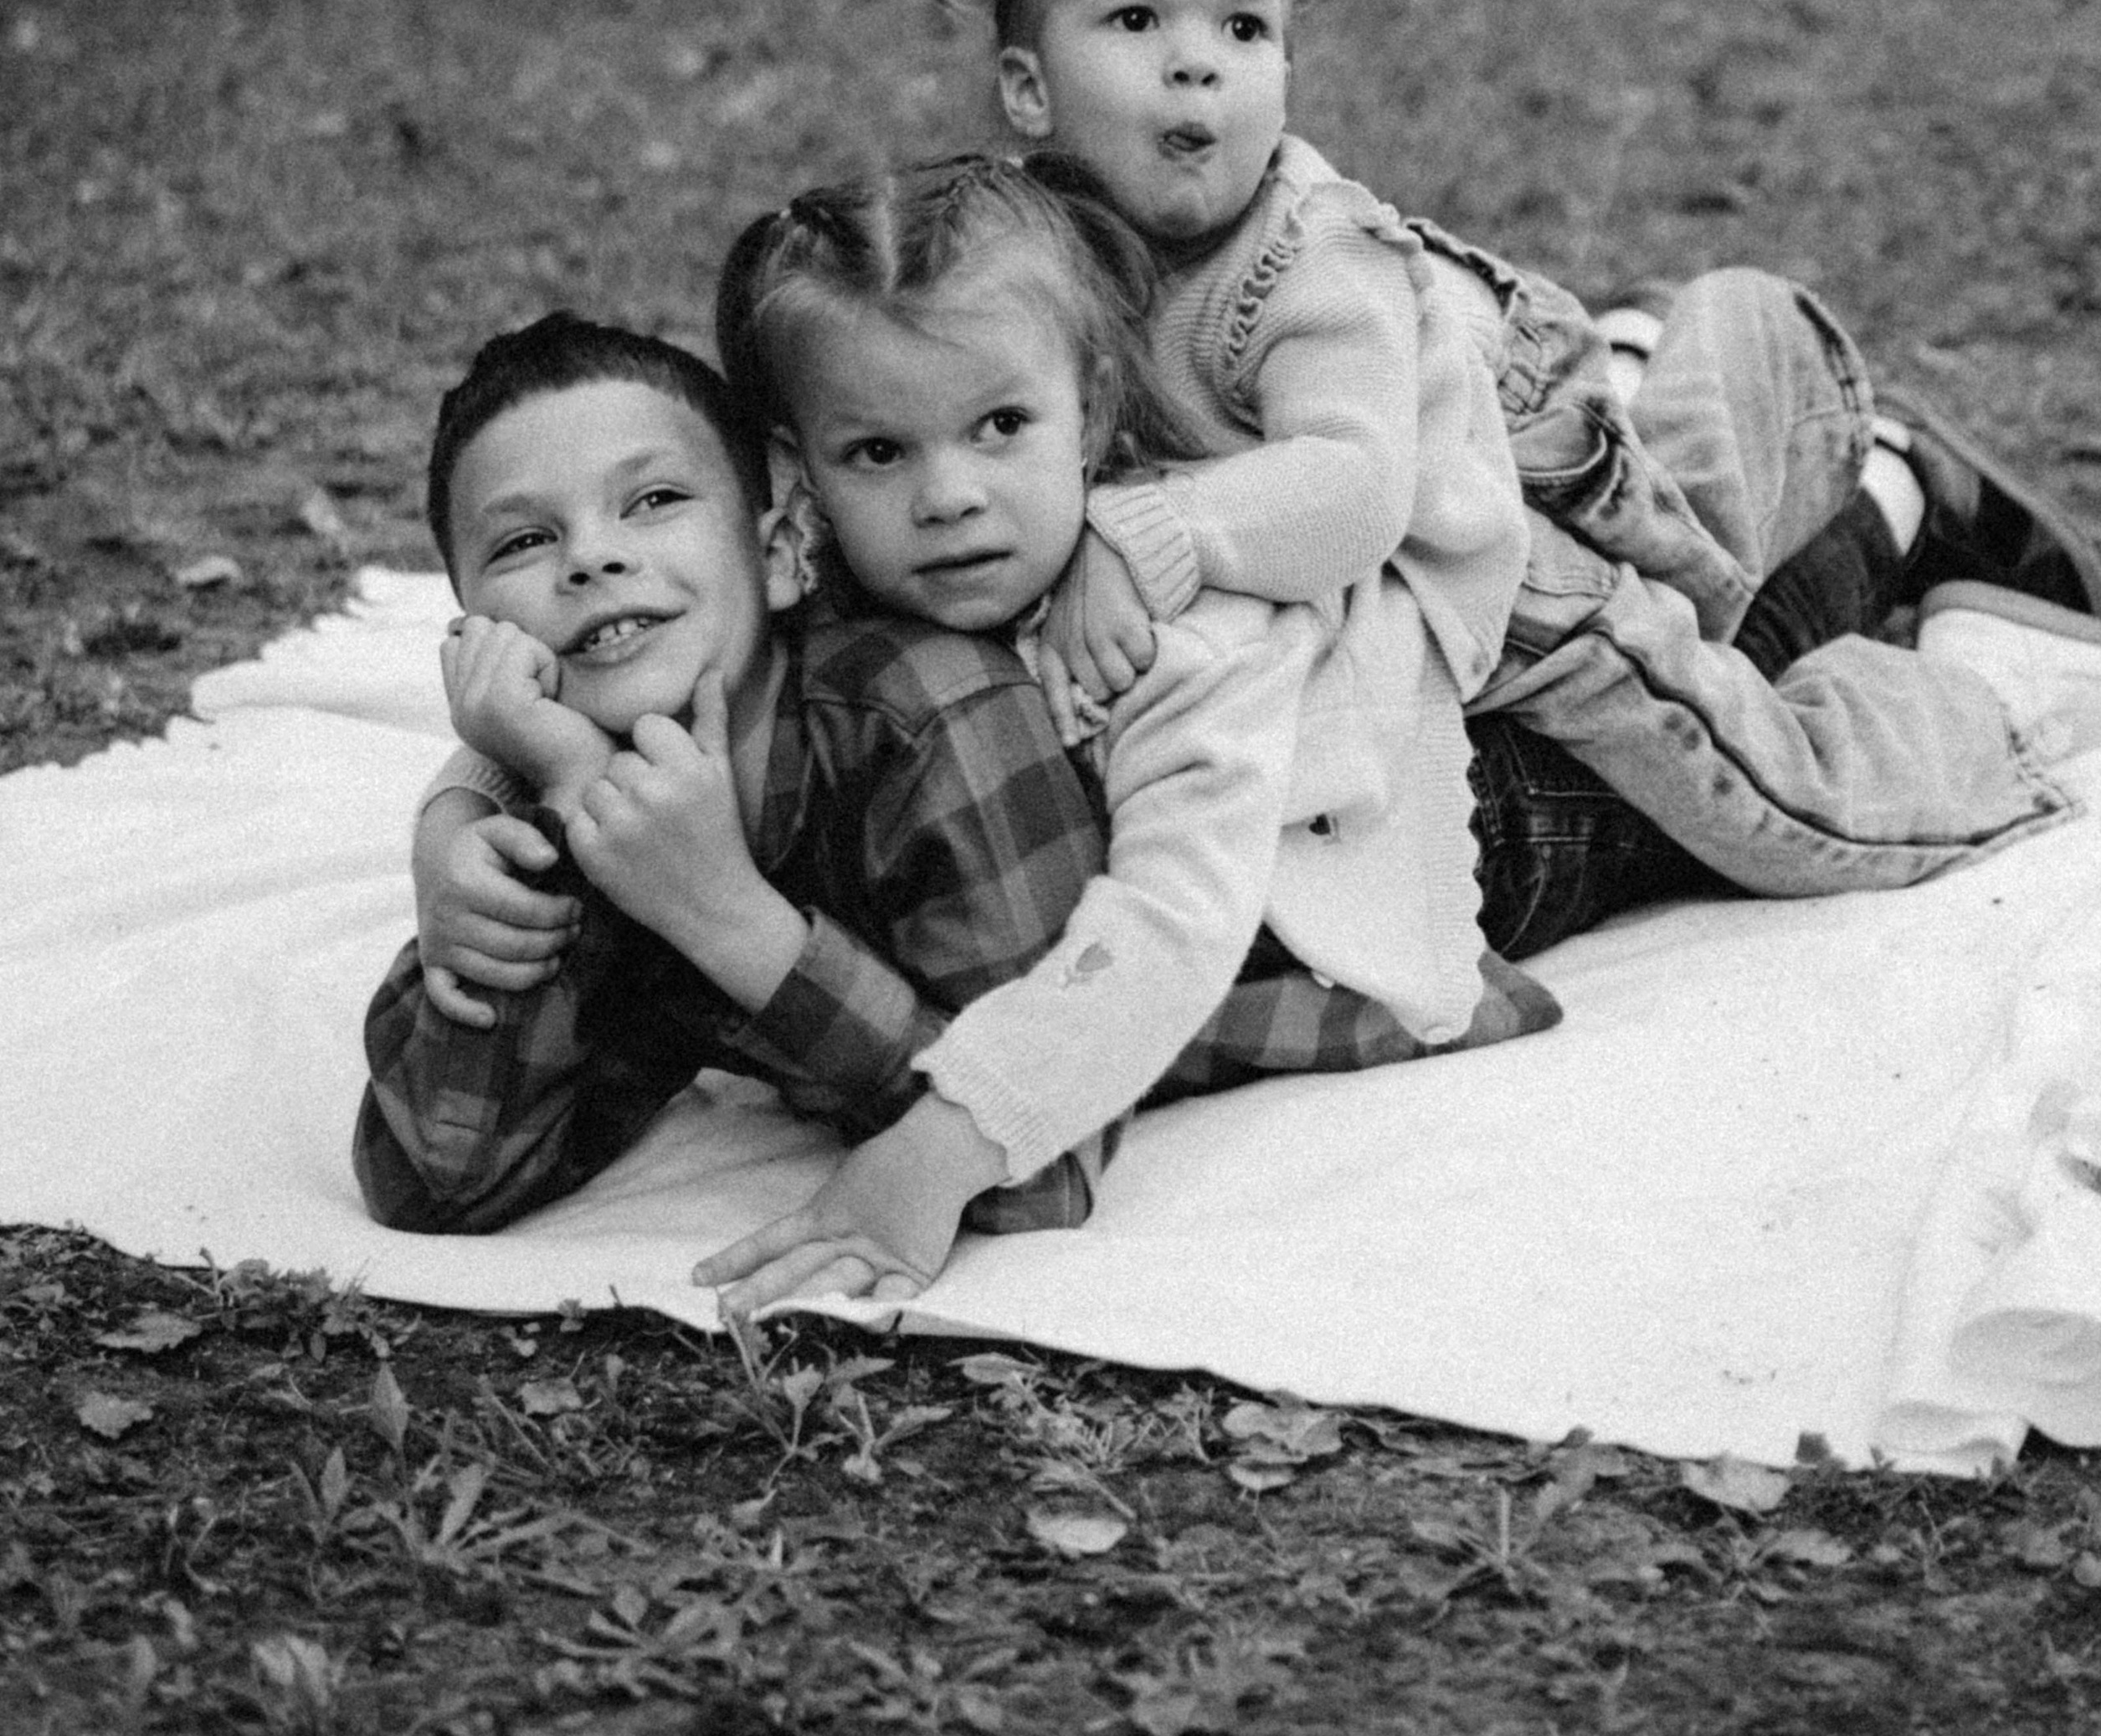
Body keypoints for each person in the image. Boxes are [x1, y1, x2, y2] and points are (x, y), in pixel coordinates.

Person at [357, 165, 1551, 1284]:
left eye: (655, 499)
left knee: (1601, 587)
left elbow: (1042, 1149)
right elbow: (436, 1181)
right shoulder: (620, 771)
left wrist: (727, 919)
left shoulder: (955, 697)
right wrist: (506, 791)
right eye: (524, 541)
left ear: (778, 543)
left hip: (1422, 815)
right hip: (1191, 839)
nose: (594, 559)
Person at [924, 0, 2101, 900]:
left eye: (1243, 28)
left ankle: (1965, 650)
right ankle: (1679, 351)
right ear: (1027, 91)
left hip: (1517, 553)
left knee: (1746, 738)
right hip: (1467, 426)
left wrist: (1139, 538)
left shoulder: (1307, 262)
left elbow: (1355, 486)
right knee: (1692, 524)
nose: (1198, 61)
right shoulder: (1014, 250)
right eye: (1137, 21)